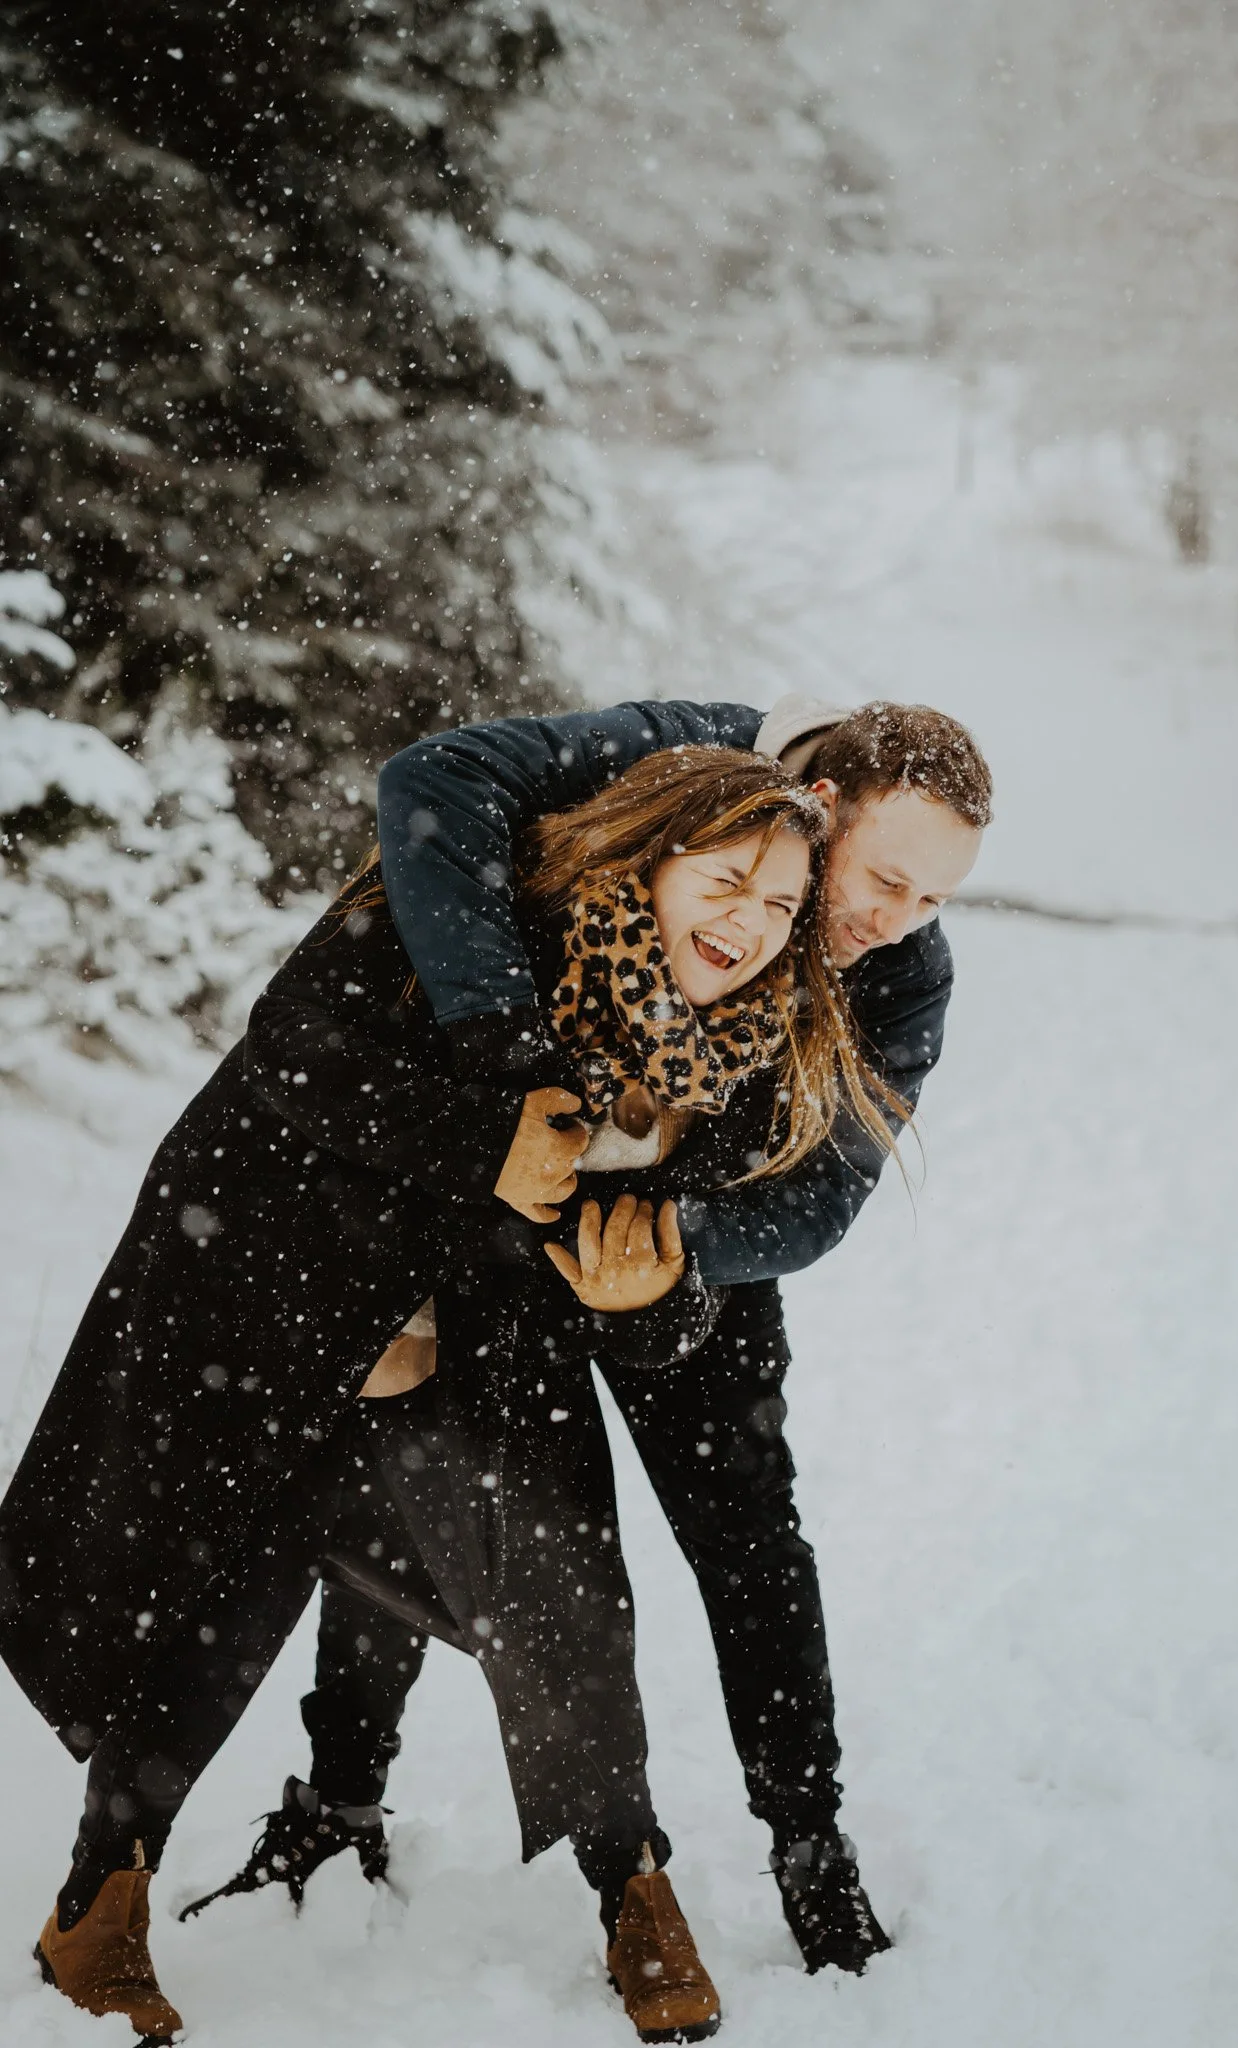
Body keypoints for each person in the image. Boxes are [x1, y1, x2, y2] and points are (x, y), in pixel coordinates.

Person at [2, 746, 904, 2045]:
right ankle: (102, 1900)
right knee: (221, 1585)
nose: (749, 927)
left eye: (779, 908)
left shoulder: (721, 1056)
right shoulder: (459, 925)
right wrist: (495, 1146)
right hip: (283, 1295)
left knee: (556, 1589)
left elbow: (683, 1317)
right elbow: (296, 1056)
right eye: (727, 880)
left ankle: (629, 1887)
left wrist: (649, 1295)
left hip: (478, 1344)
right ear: (652, 853)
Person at [199, 695, 993, 1980]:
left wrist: (662, 1244)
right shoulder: (678, 764)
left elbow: (824, 1197)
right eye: (889, 879)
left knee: (748, 1535)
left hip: (686, 1255)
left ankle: (811, 1846)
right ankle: (339, 1801)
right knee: (414, 1482)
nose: (896, 919)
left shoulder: (903, 970)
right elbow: (432, 783)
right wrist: (506, 1066)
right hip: (507, 1185)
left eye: (934, 898)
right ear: (825, 809)